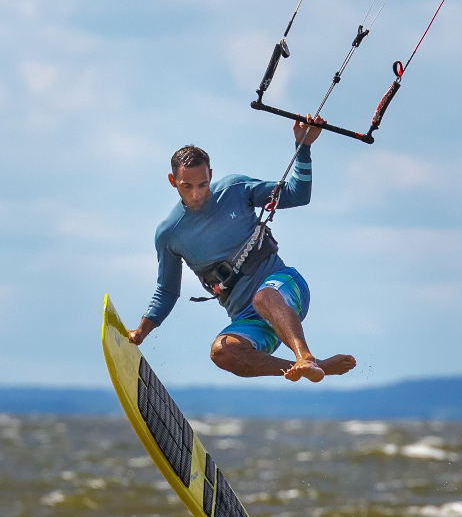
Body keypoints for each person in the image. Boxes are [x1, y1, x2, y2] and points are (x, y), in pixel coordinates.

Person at [129, 116, 356, 383]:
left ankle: (305, 356)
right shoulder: (170, 234)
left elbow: (297, 195)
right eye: (187, 186)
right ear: (172, 181)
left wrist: (303, 146)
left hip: (286, 290)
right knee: (222, 352)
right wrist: (141, 332)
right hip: (251, 318)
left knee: (263, 297)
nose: (197, 195)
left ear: (210, 175)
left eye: (202, 184)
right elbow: (167, 291)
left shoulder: (234, 189)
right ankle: (311, 367)